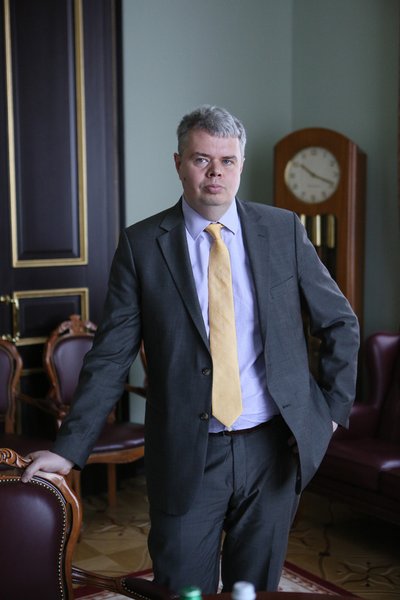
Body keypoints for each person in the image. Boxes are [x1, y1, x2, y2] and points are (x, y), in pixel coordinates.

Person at [22, 105, 360, 593]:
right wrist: (69, 450)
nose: (215, 172)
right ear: (179, 163)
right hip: (186, 453)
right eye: (202, 159)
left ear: (240, 165)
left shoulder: (283, 229)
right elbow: (111, 356)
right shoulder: (142, 245)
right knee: (183, 588)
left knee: (254, 590)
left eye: (227, 161)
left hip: (273, 448)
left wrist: (326, 414)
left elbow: (340, 323)